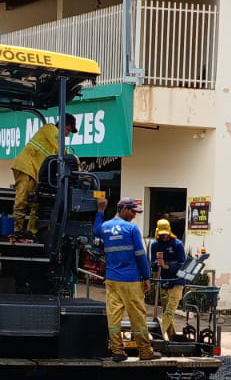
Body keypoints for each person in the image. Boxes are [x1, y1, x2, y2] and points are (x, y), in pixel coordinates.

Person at [93, 197, 159, 361]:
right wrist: (146, 277)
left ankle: (117, 351)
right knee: (137, 315)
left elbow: (95, 231)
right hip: (131, 279)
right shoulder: (132, 229)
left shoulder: (105, 227)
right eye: (132, 211)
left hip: (112, 279)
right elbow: (140, 255)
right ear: (122, 209)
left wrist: (100, 210)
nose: (134, 215)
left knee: (113, 316)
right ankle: (145, 351)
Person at [11, 112, 78, 241]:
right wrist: (74, 160)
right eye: (68, 129)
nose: (68, 134)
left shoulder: (55, 143)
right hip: (25, 166)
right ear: (63, 125)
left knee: (35, 202)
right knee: (22, 198)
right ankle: (17, 230)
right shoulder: (49, 129)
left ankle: (31, 231)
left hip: (35, 172)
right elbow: (61, 148)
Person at [150, 218, 186, 336]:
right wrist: (157, 263)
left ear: (169, 231)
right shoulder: (155, 245)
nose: (164, 236)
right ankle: (172, 337)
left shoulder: (177, 244)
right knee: (166, 311)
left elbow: (182, 265)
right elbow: (153, 264)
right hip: (164, 281)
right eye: (162, 234)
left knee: (170, 310)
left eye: (166, 234)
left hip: (177, 281)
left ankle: (157, 334)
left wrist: (167, 266)